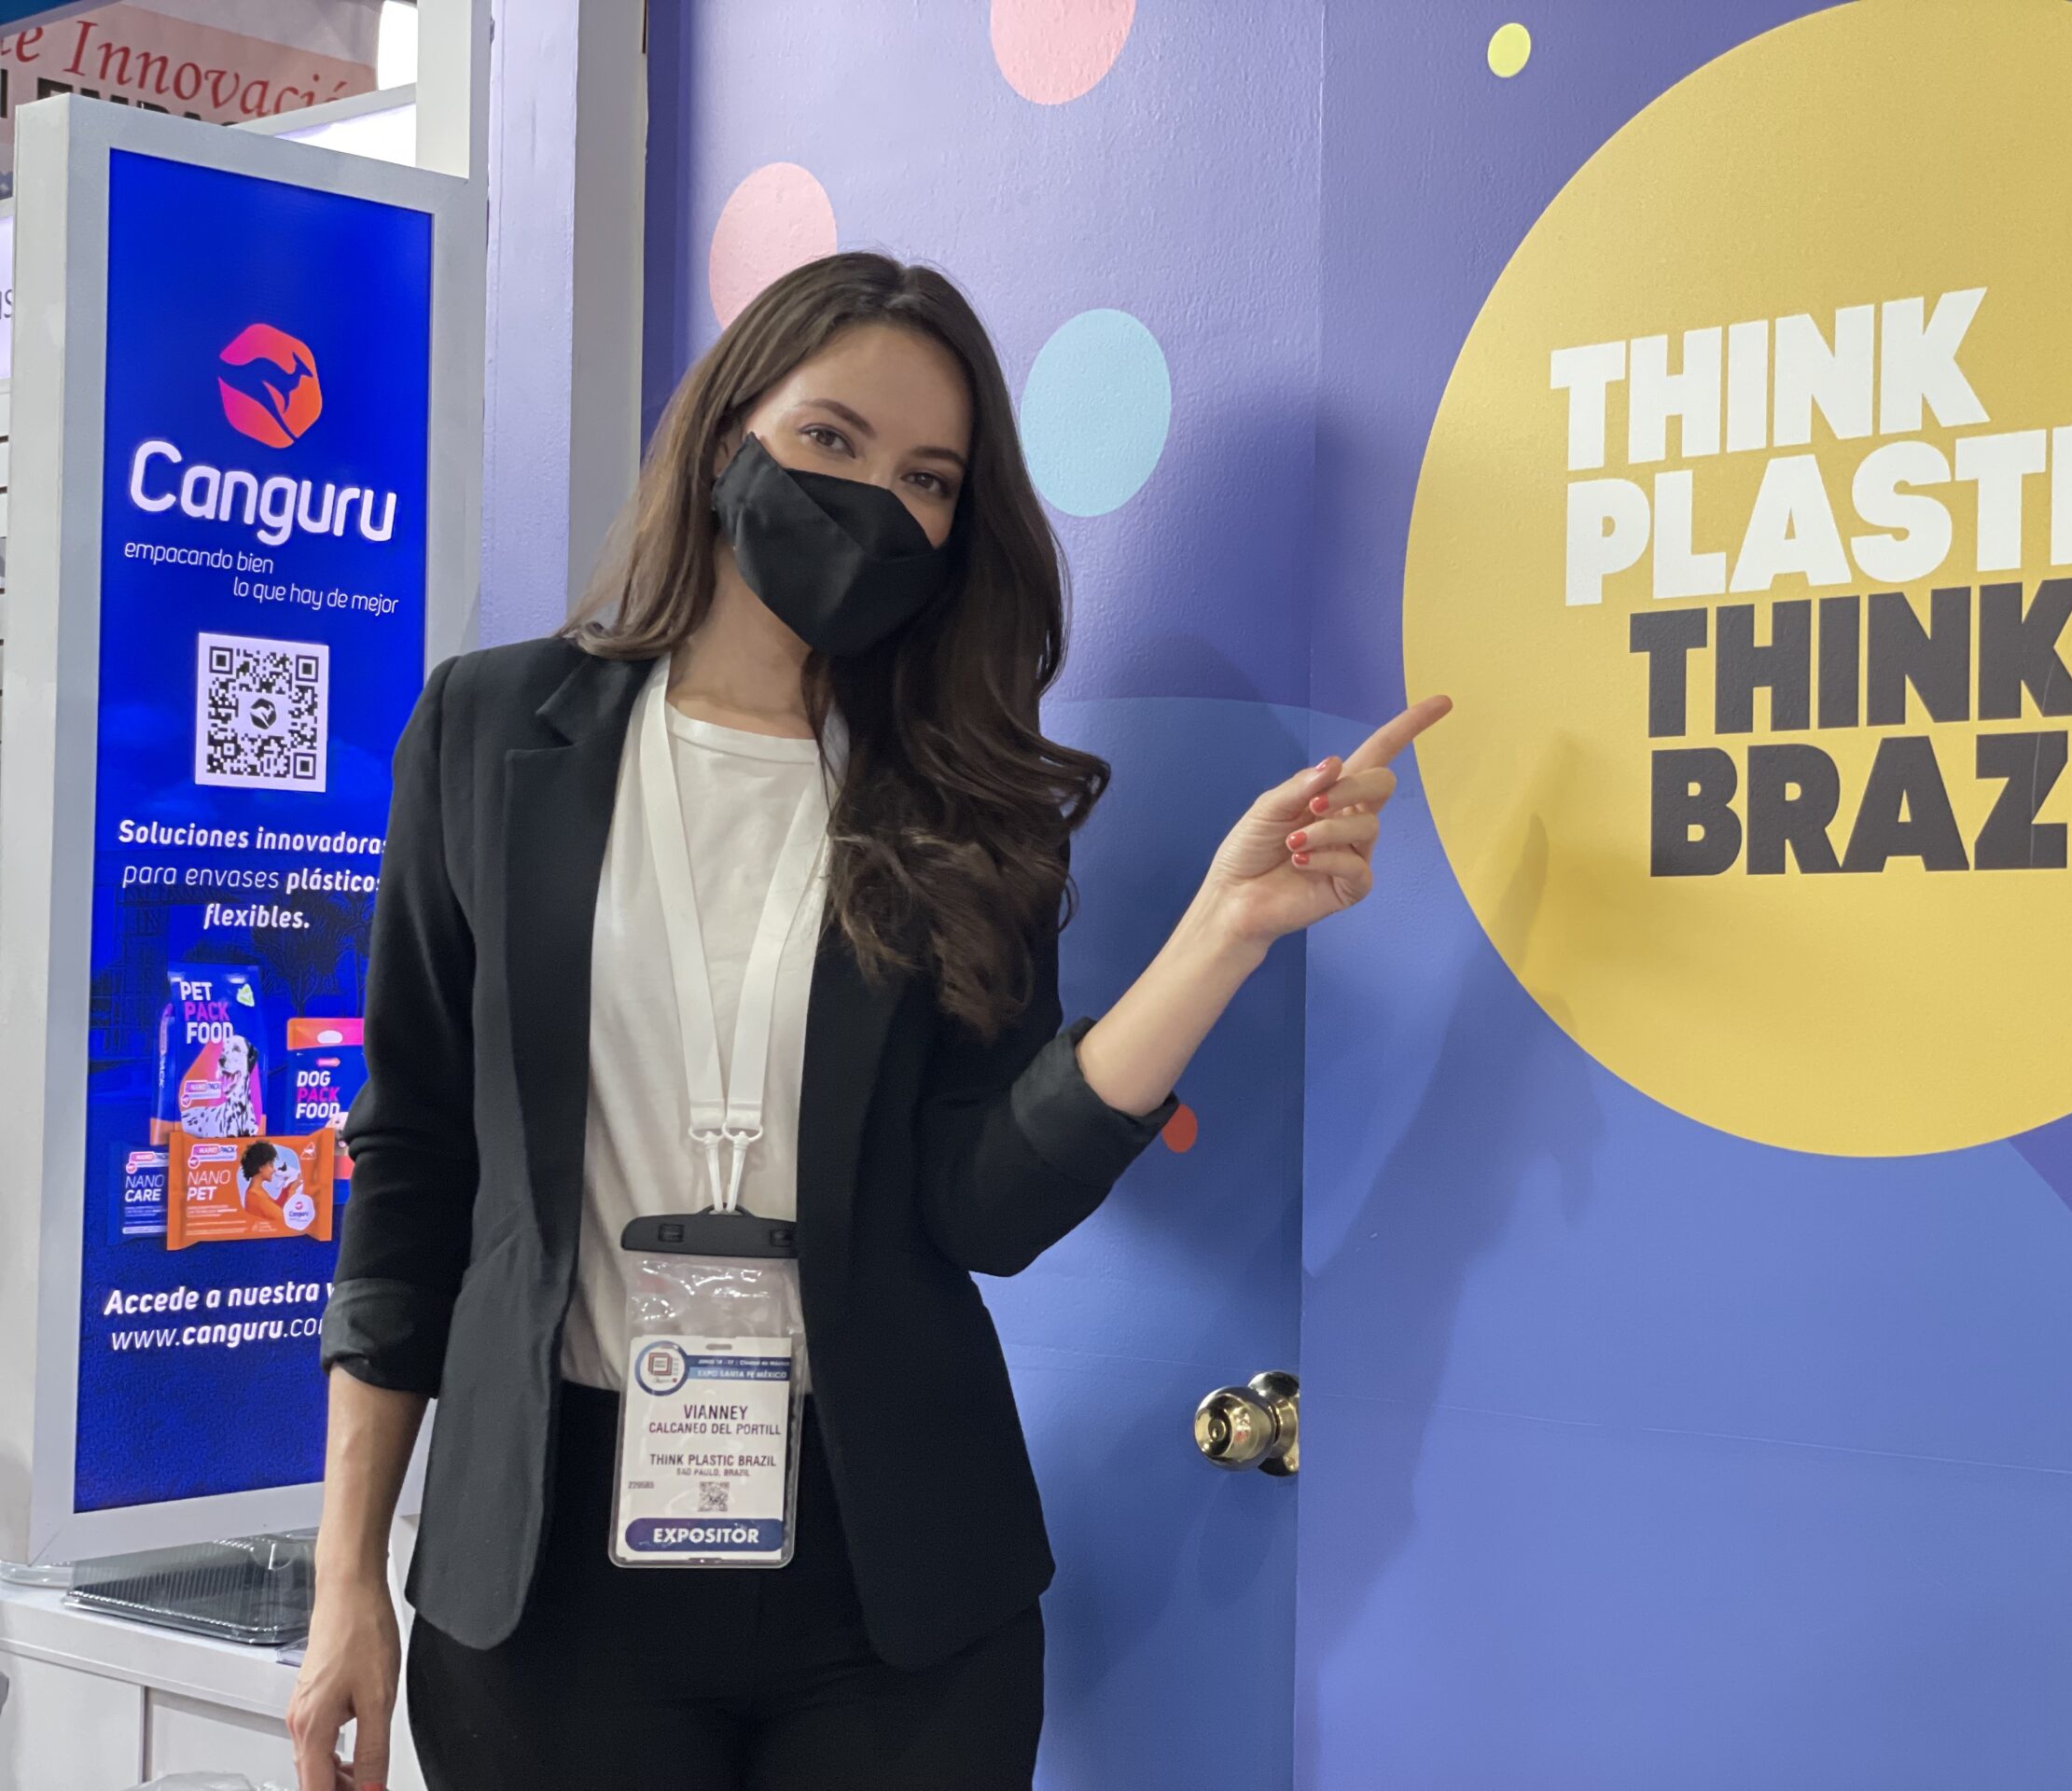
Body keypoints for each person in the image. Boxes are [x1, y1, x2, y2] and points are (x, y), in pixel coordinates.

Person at [286, 252, 1447, 1791]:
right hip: (547, 1571)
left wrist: (1220, 935)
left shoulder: (969, 797)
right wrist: (345, 1576)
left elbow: (984, 1206)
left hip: (893, 1585)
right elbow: (414, 1159)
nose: (875, 502)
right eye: (831, 441)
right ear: (727, 439)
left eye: (927, 479)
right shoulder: (492, 731)